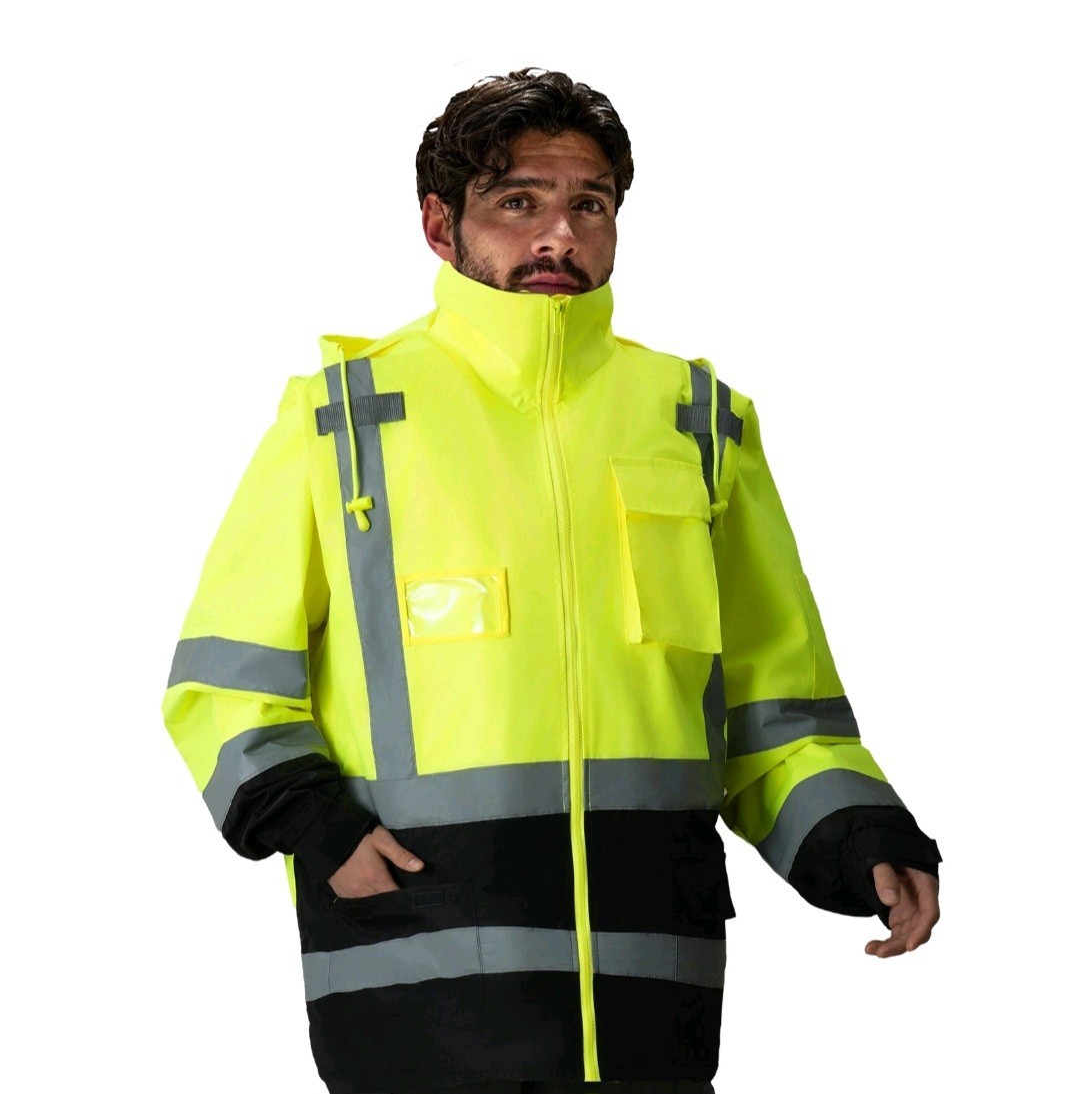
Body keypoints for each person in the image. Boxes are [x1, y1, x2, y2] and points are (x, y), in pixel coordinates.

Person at [163, 67, 942, 1094]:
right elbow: (223, 682)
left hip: (650, 987)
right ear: (440, 225)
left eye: (590, 204)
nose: (560, 236)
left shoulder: (696, 422)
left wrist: (853, 829)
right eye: (518, 201)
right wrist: (315, 824)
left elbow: (776, 701)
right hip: (417, 968)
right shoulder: (345, 421)